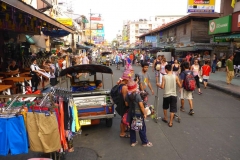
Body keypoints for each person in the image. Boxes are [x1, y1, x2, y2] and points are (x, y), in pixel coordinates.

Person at [125, 80, 153, 147]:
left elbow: (126, 104)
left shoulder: (127, 96)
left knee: (132, 127)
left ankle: (133, 142)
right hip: (138, 114)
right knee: (141, 128)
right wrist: (144, 114)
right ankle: (144, 142)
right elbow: (141, 106)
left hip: (131, 113)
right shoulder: (137, 96)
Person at [117, 71, 131, 138]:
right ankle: (122, 133)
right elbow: (126, 100)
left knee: (123, 118)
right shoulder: (124, 87)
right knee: (123, 119)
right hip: (124, 105)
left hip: (120, 103)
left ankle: (124, 129)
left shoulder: (120, 84)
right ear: (125, 79)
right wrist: (128, 105)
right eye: (128, 79)